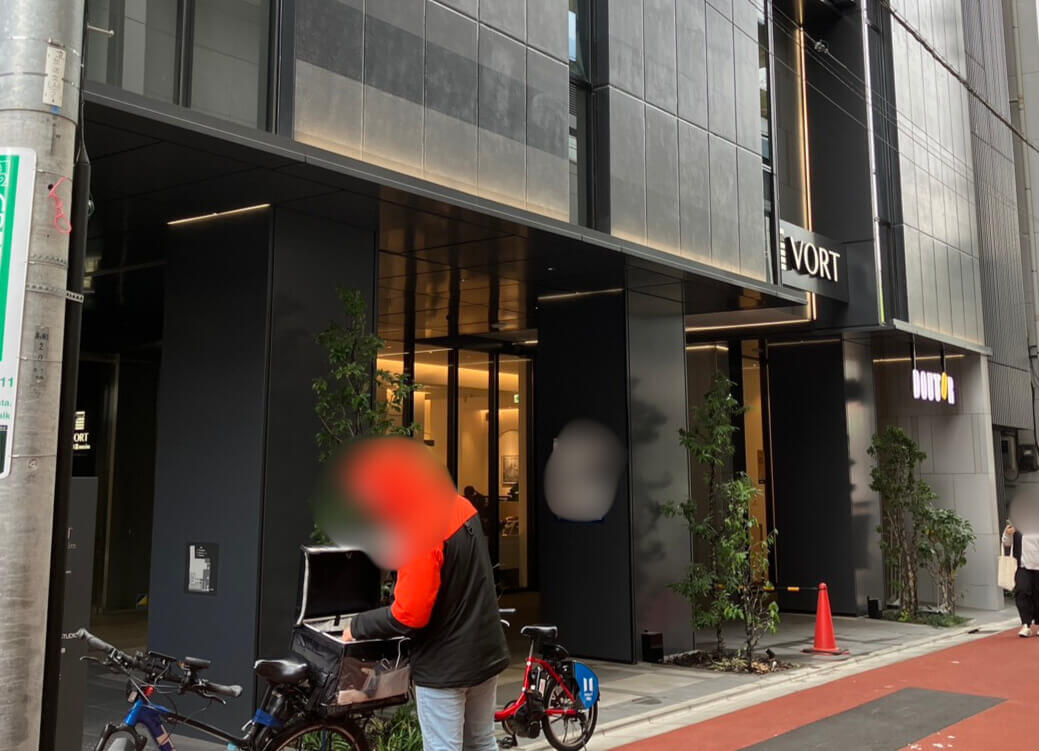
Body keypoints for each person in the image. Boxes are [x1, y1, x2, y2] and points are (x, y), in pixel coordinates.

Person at [339, 441, 509, 751]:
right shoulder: (459, 505)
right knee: (482, 742)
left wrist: (358, 625)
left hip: (446, 664)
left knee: (444, 746)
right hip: (484, 652)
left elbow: (410, 614)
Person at [1003, 521, 1039, 638]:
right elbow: (1006, 543)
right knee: (1021, 591)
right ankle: (1026, 625)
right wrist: (1008, 533)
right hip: (1023, 566)